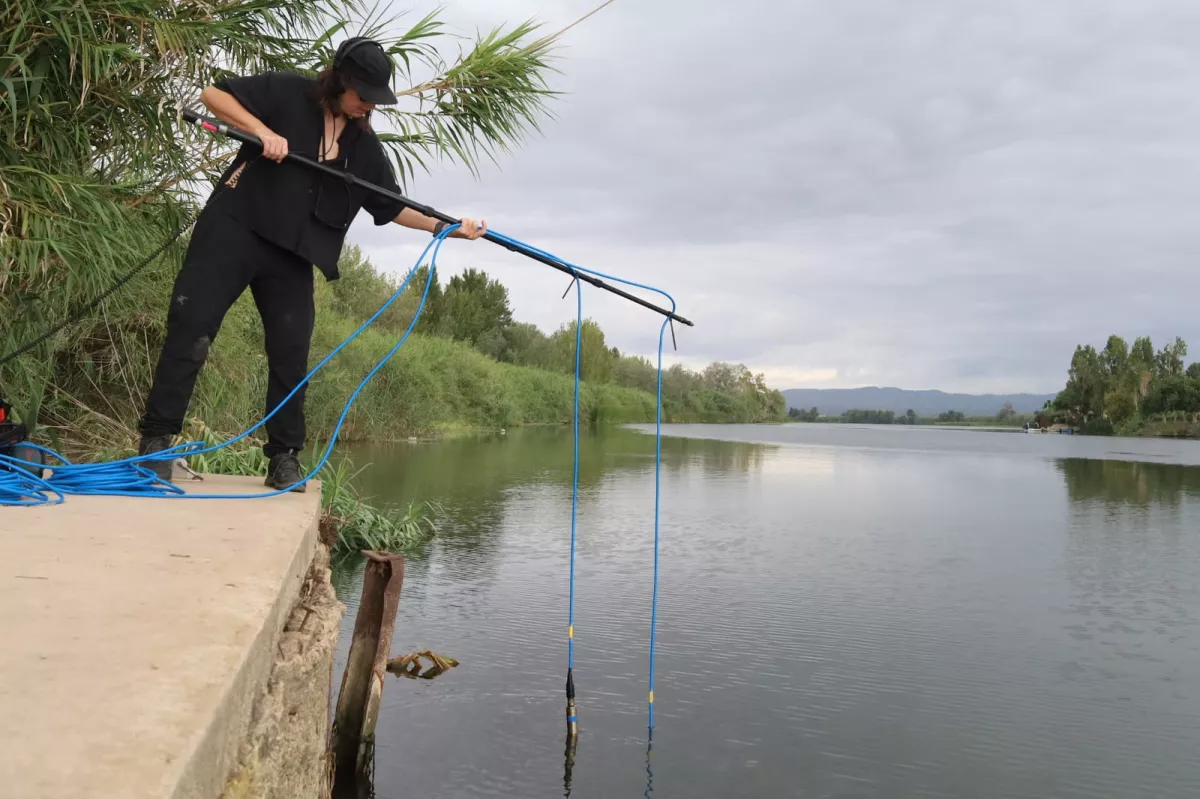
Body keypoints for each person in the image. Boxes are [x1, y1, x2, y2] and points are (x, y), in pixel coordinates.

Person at [136, 37, 486, 491]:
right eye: (363, 96)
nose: (367, 107)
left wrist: (449, 227)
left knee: (291, 354)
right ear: (341, 80)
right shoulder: (287, 92)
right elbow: (213, 95)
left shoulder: (363, 147)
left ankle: (283, 458)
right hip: (235, 228)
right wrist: (260, 131)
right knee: (193, 329)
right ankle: (156, 443)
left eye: (375, 100)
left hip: (293, 253)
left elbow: (393, 206)